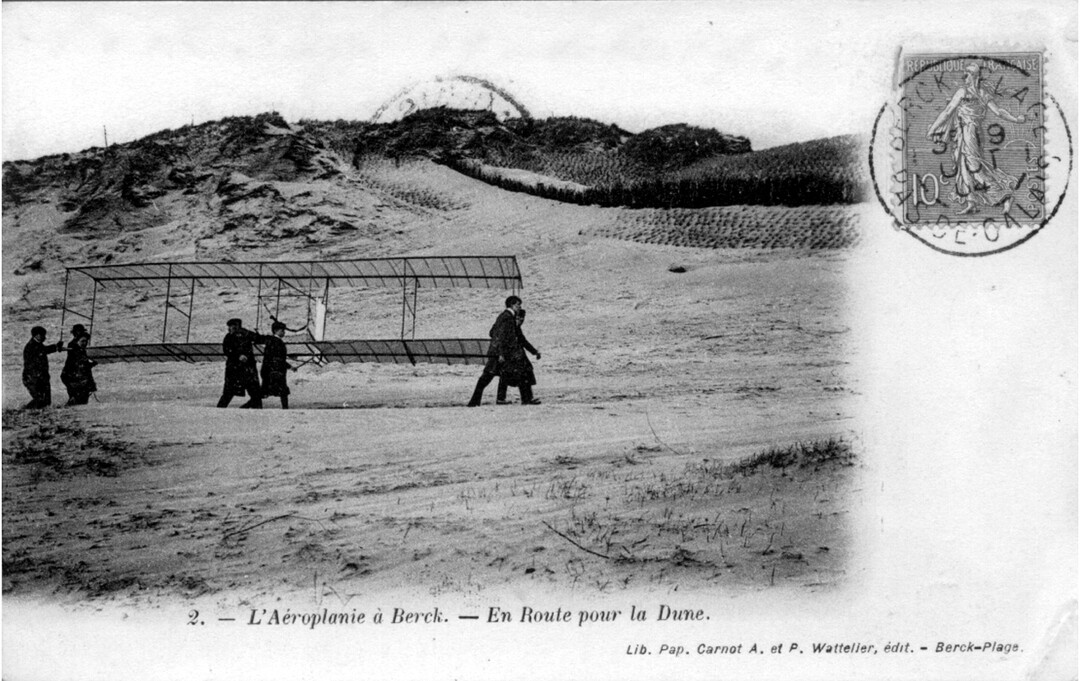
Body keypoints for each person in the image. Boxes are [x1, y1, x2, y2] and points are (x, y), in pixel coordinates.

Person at [927, 62, 1027, 215]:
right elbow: (948, 112)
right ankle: (971, 202)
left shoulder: (973, 93)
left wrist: (1016, 120)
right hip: (964, 132)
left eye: (967, 74)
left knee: (974, 167)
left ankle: (1004, 195)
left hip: (971, 133)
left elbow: (999, 111)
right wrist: (934, 128)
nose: (964, 77)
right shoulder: (969, 92)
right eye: (965, 74)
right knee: (964, 166)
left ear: (975, 76)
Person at [467, 295, 523, 407]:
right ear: (512, 305)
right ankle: (476, 401)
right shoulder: (508, 317)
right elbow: (500, 336)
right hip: (499, 353)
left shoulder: (502, 316)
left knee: (501, 374)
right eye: (518, 305)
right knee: (488, 376)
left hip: (497, 352)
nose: (520, 307)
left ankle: (496, 399)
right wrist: (501, 353)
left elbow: (492, 332)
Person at [216, 318, 269, 409]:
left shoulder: (246, 334)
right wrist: (238, 356)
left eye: (234, 326)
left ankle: (257, 411)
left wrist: (251, 333)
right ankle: (219, 410)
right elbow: (227, 350)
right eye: (231, 326)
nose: (232, 328)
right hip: (235, 368)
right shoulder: (229, 337)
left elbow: (260, 339)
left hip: (248, 368)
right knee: (229, 392)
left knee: (255, 392)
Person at [496, 308, 541, 405]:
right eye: (519, 319)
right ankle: (524, 399)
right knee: (516, 374)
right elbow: (501, 340)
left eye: (522, 319)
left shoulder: (516, 328)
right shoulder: (509, 326)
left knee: (525, 372)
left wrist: (534, 352)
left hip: (516, 356)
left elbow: (523, 341)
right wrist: (501, 354)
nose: (520, 321)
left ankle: (526, 398)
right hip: (510, 356)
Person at [22, 326, 64, 409]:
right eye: (43, 335)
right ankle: (26, 410)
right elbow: (43, 350)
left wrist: (56, 346)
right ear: (37, 335)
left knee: (46, 401)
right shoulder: (31, 346)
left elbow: (44, 349)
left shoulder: (37, 344)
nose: (45, 337)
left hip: (41, 377)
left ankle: (29, 412)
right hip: (33, 378)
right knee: (40, 399)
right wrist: (56, 347)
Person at [260, 321, 293, 409]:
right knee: (282, 391)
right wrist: (289, 366)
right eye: (282, 330)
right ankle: (285, 408)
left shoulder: (272, 341)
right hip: (275, 370)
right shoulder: (276, 342)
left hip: (271, 369)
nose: (284, 332)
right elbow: (277, 358)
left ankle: (248, 407)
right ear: (276, 331)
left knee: (267, 392)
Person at [61, 330, 97, 406]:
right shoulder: (74, 351)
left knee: (81, 401)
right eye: (82, 341)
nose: (85, 343)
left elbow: (86, 369)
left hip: (79, 380)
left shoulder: (82, 351)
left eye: (86, 341)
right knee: (77, 400)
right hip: (72, 379)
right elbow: (80, 367)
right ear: (77, 341)